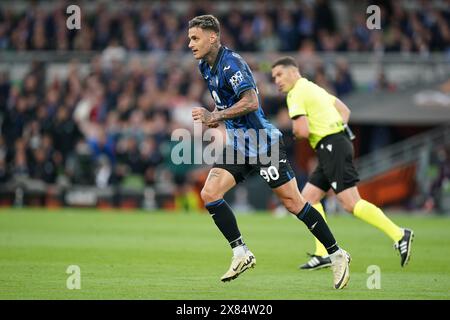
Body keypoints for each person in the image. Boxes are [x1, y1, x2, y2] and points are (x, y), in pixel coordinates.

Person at [188, 15, 350, 289]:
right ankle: (241, 252)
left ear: (212, 36)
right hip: (239, 144)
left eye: (195, 38)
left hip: (263, 145)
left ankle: (337, 254)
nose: (190, 43)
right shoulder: (206, 66)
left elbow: (251, 102)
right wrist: (221, 117)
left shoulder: (232, 64)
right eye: (189, 38)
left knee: (294, 204)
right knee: (210, 193)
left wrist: (217, 115)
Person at [271, 56, 414, 270]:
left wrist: (293, 132)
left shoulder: (295, 94)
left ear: (293, 72)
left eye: (279, 74)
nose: (277, 81)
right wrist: (337, 130)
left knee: (350, 203)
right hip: (335, 143)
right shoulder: (314, 88)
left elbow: (302, 130)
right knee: (309, 198)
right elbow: (344, 110)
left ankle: (399, 234)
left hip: (331, 146)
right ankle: (323, 254)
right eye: (274, 77)